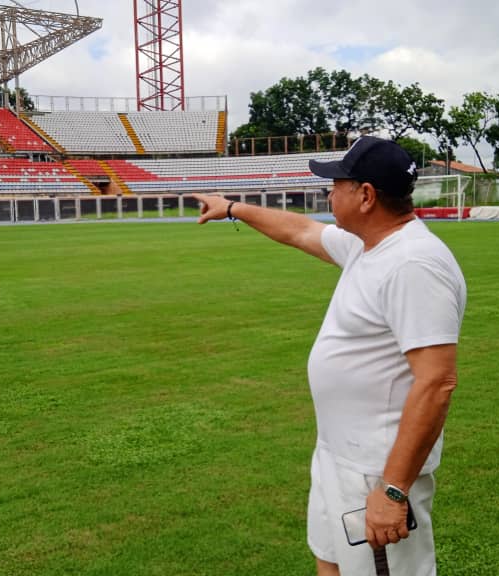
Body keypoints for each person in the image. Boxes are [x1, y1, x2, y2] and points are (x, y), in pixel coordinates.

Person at [194, 136, 466, 576]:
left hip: (377, 470)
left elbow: (437, 382)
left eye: (336, 185)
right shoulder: (368, 245)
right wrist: (232, 208)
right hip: (337, 455)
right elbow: (300, 230)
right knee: (331, 563)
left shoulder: (414, 263)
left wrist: (393, 490)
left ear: (366, 195)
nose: (328, 193)